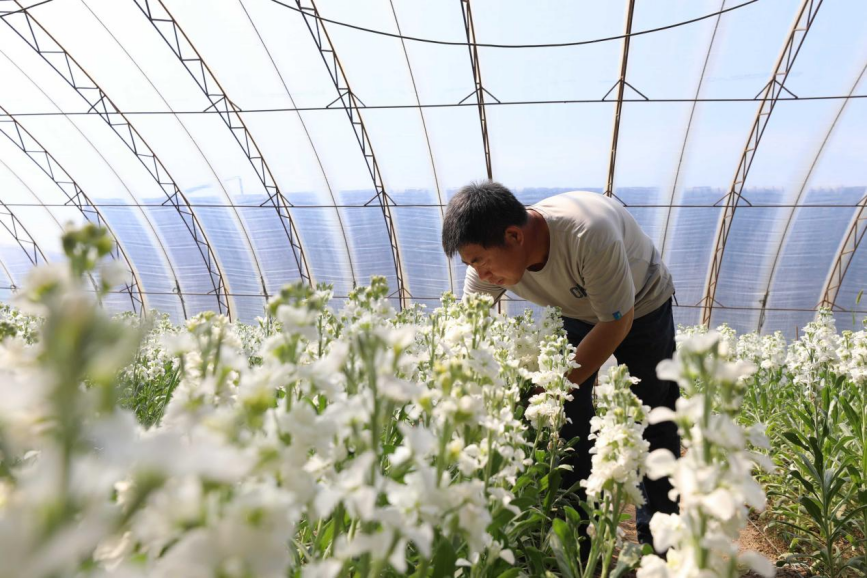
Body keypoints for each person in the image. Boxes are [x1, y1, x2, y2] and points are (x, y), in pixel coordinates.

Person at [441, 180, 681, 552]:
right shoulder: (487, 266)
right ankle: (577, 539)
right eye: (472, 264)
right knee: (567, 419)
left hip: (642, 303)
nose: (481, 274)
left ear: (514, 236)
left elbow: (617, 321)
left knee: (653, 414)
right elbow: (465, 325)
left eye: (480, 260)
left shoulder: (589, 234)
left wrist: (554, 386)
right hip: (577, 311)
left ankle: (662, 546)